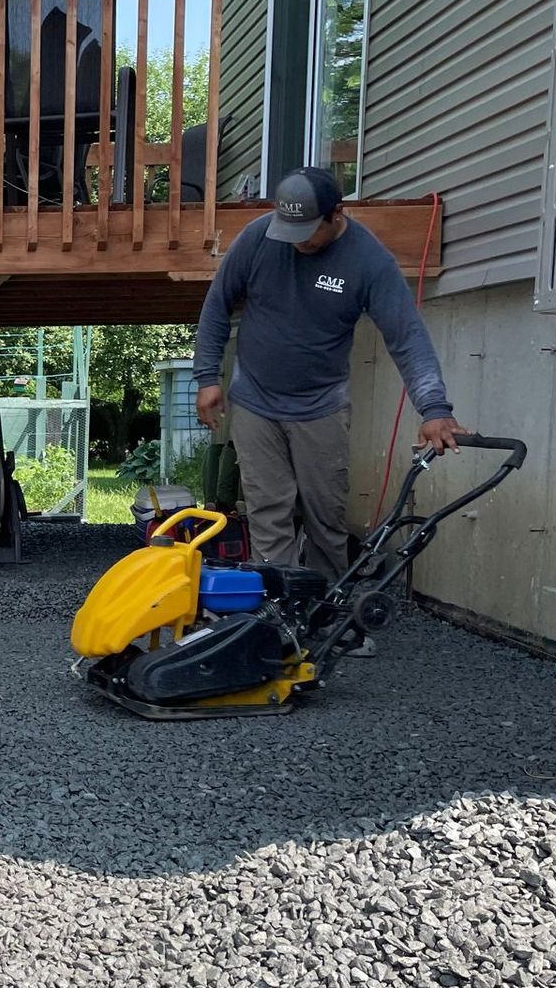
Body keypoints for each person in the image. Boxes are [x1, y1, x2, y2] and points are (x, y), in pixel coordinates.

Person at [191, 167, 466, 649]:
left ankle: (329, 619)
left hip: (320, 406)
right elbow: (216, 307)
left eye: (307, 232)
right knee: (268, 513)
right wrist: (206, 378)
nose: (297, 242)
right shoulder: (259, 239)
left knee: (325, 518)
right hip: (255, 400)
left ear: (337, 214)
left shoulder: (368, 261)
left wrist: (434, 407)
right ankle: (278, 620)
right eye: (289, 231)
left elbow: (407, 336)